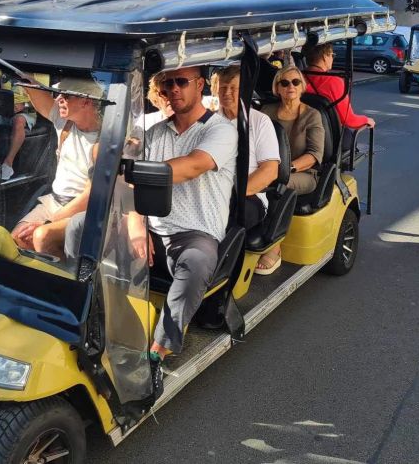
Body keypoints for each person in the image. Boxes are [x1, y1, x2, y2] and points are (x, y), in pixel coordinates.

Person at [134, 66, 237, 363]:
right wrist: (135, 223)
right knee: (81, 229)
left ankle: (159, 349)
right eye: (168, 83)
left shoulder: (220, 130)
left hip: (194, 232)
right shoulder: (153, 133)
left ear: (200, 85)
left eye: (182, 82)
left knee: (198, 260)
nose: (174, 89)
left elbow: (193, 165)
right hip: (151, 225)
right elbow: (125, 182)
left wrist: (131, 171)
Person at [10, 77, 103, 256]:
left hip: (82, 210)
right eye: (59, 94)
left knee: (42, 237)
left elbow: (90, 195)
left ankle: (63, 281)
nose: (59, 98)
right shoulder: (65, 124)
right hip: (54, 201)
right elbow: (40, 98)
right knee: (15, 240)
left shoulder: (104, 140)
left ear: (86, 101)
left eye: (66, 96)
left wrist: (48, 223)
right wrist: (22, 76)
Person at [212, 65, 281, 273]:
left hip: (249, 195)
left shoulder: (260, 122)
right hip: (211, 191)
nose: (227, 93)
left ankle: (218, 275)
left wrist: (233, 194)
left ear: (245, 90)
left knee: (223, 219)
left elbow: (270, 170)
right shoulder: (208, 121)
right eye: (223, 87)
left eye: (234, 87)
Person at [261, 64, 326, 272]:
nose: (291, 86)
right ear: (277, 88)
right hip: (267, 169)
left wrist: (286, 169)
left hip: (302, 173)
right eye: (285, 82)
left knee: (279, 183)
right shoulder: (267, 112)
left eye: (295, 82)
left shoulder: (312, 115)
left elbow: (315, 155)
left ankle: (274, 245)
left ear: (302, 87)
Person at [302, 42, 374, 151]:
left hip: (300, 133)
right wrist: (366, 120)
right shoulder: (333, 81)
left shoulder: (296, 78)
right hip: (328, 139)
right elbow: (348, 119)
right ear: (325, 56)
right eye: (332, 55)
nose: (332, 58)